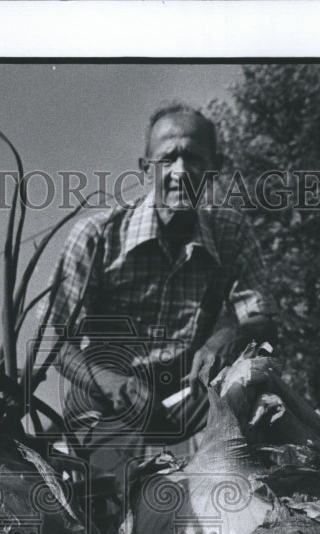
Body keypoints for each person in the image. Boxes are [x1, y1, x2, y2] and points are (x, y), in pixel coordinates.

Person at [46, 103, 275, 489]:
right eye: (168, 158)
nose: (181, 172)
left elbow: (261, 318)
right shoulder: (97, 236)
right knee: (112, 505)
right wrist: (113, 383)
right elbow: (56, 344)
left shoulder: (230, 230)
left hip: (194, 393)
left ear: (215, 166)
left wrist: (225, 339)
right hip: (112, 401)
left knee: (267, 439)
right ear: (146, 167)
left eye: (194, 158)